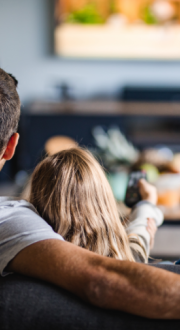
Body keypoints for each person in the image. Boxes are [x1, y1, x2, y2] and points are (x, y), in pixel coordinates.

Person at [0, 67, 180, 319]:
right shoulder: (10, 221)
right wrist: (147, 207)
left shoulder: (23, 231)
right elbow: (123, 263)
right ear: (11, 146)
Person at [29, 148, 163, 263]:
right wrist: (146, 204)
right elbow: (137, 244)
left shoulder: (34, 260)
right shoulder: (125, 263)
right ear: (104, 203)